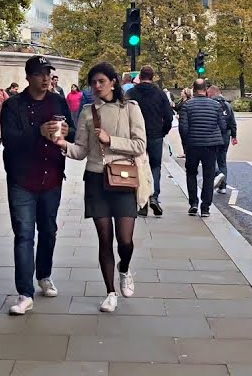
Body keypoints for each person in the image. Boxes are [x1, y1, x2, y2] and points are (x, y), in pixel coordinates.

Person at [59, 62, 148, 313]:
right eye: (93, 82)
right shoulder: (88, 112)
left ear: (113, 82)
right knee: (104, 239)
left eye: (101, 81)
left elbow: (140, 145)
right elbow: (80, 151)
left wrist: (112, 140)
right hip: (96, 180)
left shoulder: (130, 108)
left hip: (123, 178)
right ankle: (110, 292)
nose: (97, 86)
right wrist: (61, 143)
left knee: (125, 240)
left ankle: (124, 268)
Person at [0, 55, 74, 316]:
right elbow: (9, 140)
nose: (46, 79)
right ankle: (24, 292)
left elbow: (73, 133)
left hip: (51, 176)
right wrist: (38, 132)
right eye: (40, 74)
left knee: (49, 230)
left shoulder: (58, 101)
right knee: (24, 234)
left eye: (48, 73)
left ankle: (44, 274)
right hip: (22, 178)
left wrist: (65, 133)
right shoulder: (13, 106)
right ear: (28, 76)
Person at [127, 65, 172, 216]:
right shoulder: (159, 93)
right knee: (155, 167)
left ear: (140, 76)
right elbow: (168, 116)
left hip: (135, 136)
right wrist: (163, 131)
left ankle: (142, 202)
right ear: (153, 77)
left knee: (138, 167)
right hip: (155, 134)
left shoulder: (131, 92)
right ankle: (154, 195)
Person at [178, 79, 224, 217]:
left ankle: (193, 203)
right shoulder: (216, 106)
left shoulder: (187, 106)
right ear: (205, 89)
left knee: (191, 173)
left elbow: (183, 128)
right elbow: (222, 125)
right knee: (208, 176)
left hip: (193, 144)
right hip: (210, 145)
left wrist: (185, 144)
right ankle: (205, 208)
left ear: (194, 88)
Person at [208, 86, 237, 194]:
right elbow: (233, 122)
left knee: (211, 159)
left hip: (215, 135)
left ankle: (217, 175)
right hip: (226, 136)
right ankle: (223, 187)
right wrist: (234, 136)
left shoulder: (211, 104)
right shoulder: (228, 105)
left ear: (211, 94)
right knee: (222, 161)